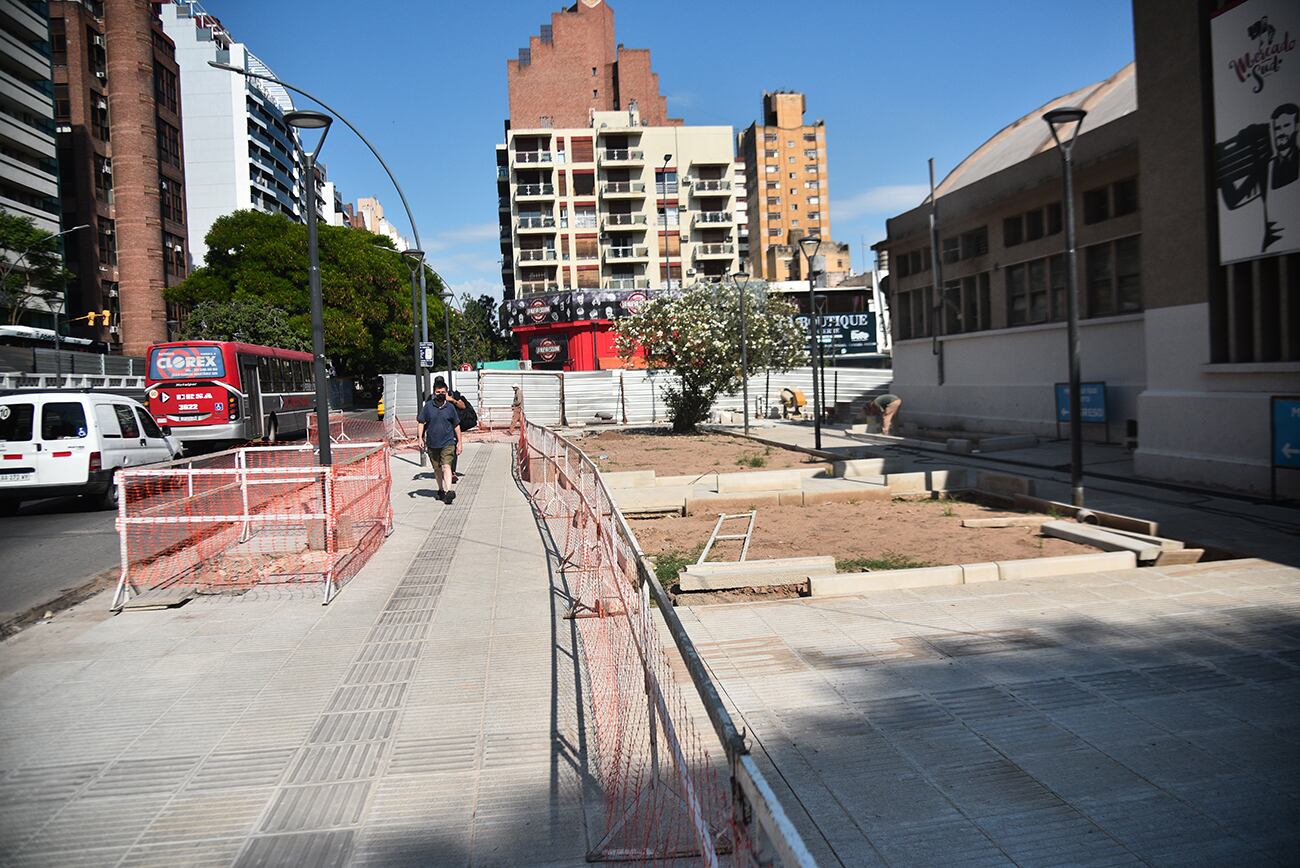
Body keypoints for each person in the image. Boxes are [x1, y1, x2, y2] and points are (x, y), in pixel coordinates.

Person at [416, 380, 462, 503]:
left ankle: (449, 491)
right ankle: (441, 489)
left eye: (443, 392)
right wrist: (420, 438)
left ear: (446, 393)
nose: (440, 394)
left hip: (448, 442)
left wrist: (459, 442)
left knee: (446, 465)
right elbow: (421, 422)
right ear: (434, 393)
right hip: (432, 443)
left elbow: (456, 426)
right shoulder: (428, 407)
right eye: (438, 392)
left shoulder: (450, 408)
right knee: (437, 469)